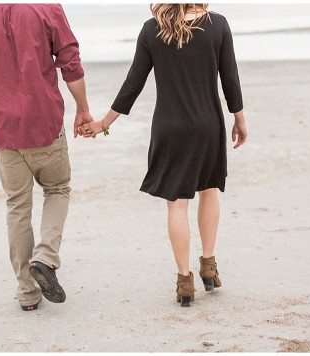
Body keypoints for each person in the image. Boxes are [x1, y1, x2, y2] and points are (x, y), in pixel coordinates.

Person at [82, 4, 248, 307]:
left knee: (177, 203)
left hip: (169, 128)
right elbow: (230, 78)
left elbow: (133, 83)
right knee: (209, 190)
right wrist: (239, 118)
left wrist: (104, 123)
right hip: (208, 125)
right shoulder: (218, 25)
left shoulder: (151, 29)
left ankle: (185, 281)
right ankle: (208, 267)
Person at [0, 4, 94, 311]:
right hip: (44, 122)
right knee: (57, 189)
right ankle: (45, 258)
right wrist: (83, 109)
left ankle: (27, 293)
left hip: (3, 127)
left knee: (17, 205)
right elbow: (70, 62)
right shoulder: (47, 9)